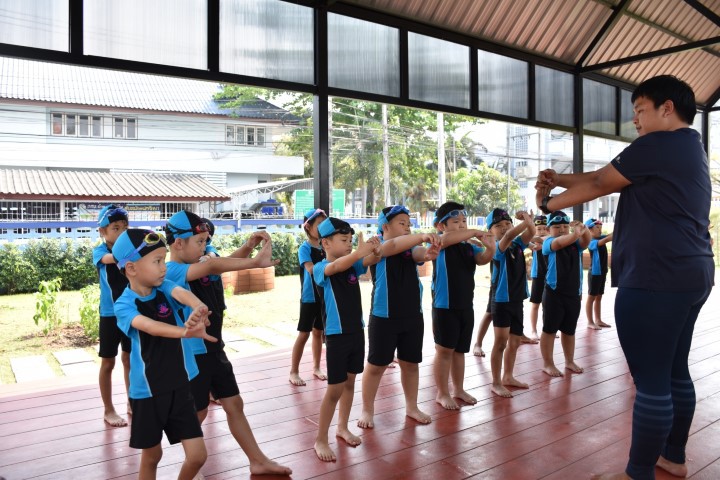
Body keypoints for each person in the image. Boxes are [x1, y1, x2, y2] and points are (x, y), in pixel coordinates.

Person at [536, 75, 714, 480]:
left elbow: (601, 183)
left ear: (667, 108)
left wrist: (547, 204)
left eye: (640, 110)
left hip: (656, 276)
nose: (635, 119)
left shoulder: (658, 144)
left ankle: (637, 473)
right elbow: (605, 175)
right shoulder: (689, 147)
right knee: (674, 371)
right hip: (691, 272)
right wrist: (560, 181)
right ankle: (673, 456)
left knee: (651, 382)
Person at [164, 210, 292, 476]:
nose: (205, 247)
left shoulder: (200, 261)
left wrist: (248, 247)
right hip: (195, 354)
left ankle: (257, 460)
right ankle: (191, 463)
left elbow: (220, 264)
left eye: (206, 242)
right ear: (178, 243)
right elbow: (213, 266)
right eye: (200, 242)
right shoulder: (172, 271)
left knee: (234, 404)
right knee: (198, 413)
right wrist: (255, 263)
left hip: (214, 349)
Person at [112, 228, 216, 480]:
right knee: (152, 456)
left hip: (179, 386)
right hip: (148, 393)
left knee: (197, 456)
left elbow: (182, 293)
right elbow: (149, 326)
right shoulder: (124, 304)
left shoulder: (163, 287)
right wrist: (184, 332)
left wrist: (199, 307)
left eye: (163, 259)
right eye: (157, 261)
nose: (163, 267)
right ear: (131, 268)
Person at [357, 205, 441, 428]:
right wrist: (421, 236)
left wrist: (428, 253)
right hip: (384, 316)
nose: (407, 227)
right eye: (402, 223)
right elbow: (393, 246)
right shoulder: (377, 246)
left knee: (410, 364)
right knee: (376, 366)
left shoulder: (410, 246)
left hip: (412, 315)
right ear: (385, 227)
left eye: (409, 223)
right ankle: (367, 410)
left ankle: (412, 407)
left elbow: (418, 253)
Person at [312, 217, 380, 462]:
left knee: (350, 383)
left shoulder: (352, 265)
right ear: (326, 243)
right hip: (337, 335)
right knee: (334, 388)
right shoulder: (320, 268)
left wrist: (374, 250)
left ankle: (342, 427)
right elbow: (336, 267)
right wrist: (359, 252)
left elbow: (370, 261)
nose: (349, 244)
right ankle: (321, 439)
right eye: (344, 240)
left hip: (356, 332)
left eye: (351, 240)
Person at [430, 202, 494, 409]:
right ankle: (442, 393)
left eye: (464, 221)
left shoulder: (468, 246)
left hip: (466, 305)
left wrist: (490, 248)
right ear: (441, 226)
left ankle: (458, 389)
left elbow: (482, 259)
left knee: (459, 351)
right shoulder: (440, 243)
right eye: (456, 221)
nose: (462, 225)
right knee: (444, 351)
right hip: (444, 306)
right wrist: (474, 231)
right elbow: (446, 239)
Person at [486, 208, 535, 398]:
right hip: (501, 302)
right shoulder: (497, 247)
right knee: (500, 343)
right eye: (498, 225)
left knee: (514, 342)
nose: (504, 228)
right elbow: (509, 236)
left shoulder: (518, 245)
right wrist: (526, 220)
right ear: (490, 232)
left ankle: (508, 376)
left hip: (516, 300)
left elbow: (531, 232)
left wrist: (528, 220)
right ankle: (496, 382)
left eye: (507, 224)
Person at [93, 204, 131, 427]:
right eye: (116, 228)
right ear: (102, 231)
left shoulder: (130, 251)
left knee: (130, 360)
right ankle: (108, 409)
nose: (122, 232)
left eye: (125, 228)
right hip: (109, 315)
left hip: (131, 313)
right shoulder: (100, 252)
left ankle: (132, 402)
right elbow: (111, 259)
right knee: (108, 362)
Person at [539, 212, 591, 377]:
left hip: (573, 293)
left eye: (564, 226)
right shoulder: (548, 242)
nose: (561, 229)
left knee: (569, 330)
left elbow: (586, 241)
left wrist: (583, 229)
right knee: (549, 330)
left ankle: (569, 361)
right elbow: (560, 243)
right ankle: (548, 363)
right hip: (554, 293)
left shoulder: (575, 244)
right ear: (548, 230)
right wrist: (575, 233)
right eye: (556, 227)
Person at [290, 208, 328, 386]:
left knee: (318, 333)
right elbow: (311, 269)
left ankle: (316, 367)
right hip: (310, 297)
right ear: (308, 227)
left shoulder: (326, 246)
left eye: (324, 224)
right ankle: (294, 371)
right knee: (304, 333)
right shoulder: (304, 248)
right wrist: (329, 265)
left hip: (323, 295)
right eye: (319, 224)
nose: (323, 227)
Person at [584, 218, 613, 329]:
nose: (600, 230)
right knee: (591, 297)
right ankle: (590, 322)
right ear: (589, 230)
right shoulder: (591, 242)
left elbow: (609, 236)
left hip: (602, 271)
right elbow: (607, 239)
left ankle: (598, 320)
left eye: (601, 227)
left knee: (599, 297)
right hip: (594, 273)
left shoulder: (600, 238)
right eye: (597, 227)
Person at [528, 215, 549, 341]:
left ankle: (547, 329)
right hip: (538, 275)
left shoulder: (551, 240)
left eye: (545, 228)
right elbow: (531, 243)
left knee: (548, 304)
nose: (542, 231)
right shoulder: (533, 242)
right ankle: (533, 330)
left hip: (550, 275)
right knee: (536, 304)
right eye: (539, 229)